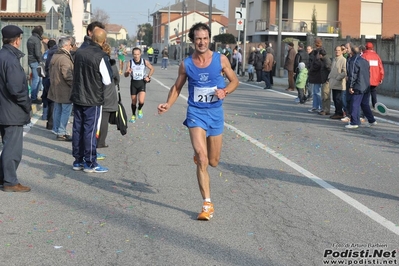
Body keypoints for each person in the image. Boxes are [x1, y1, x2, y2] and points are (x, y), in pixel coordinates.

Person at [157, 22, 239, 221]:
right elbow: (177, 88)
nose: (201, 42)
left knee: (213, 161)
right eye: (198, 39)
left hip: (215, 114)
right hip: (196, 113)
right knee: (202, 158)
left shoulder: (221, 60)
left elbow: (235, 80)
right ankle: (207, 204)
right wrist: (168, 104)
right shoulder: (187, 64)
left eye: (204, 38)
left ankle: (202, 158)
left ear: (209, 39)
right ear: (192, 41)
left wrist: (225, 91)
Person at [70, 28, 112, 173]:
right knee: (90, 130)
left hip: (78, 95)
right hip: (92, 98)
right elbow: (107, 80)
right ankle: (90, 162)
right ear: (103, 40)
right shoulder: (101, 55)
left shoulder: (79, 52)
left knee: (77, 128)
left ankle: (78, 160)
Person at [0, 25, 32, 192]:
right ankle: (10, 182)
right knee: (12, 149)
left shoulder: (2, 55)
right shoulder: (11, 60)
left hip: (3, 108)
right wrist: (27, 105)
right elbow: (16, 88)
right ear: (17, 40)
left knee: (7, 145)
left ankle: (4, 178)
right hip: (11, 110)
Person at [47, 37, 74, 141]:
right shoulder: (64, 58)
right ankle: (61, 132)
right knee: (65, 111)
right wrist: (74, 85)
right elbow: (67, 75)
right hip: (64, 89)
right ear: (65, 46)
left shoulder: (55, 55)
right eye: (70, 45)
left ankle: (57, 129)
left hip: (56, 87)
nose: (71, 47)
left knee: (58, 109)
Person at [345, 43, 377, 129]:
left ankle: (354, 122)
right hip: (366, 85)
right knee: (364, 104)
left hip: (358, 86)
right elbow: (368, 73)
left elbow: (353, 74)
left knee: (355, 104)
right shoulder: (364, 60)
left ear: (352, 51)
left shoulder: (353, 61)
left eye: (347, 48)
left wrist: (351, 86)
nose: (346, 50)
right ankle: (371, 120)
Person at [124, 47, 154, 123]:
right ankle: (133, 115)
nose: (136, 56)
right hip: (134, 83)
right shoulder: (130, 62)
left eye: (138, 54)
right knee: (134, 101)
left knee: (141, 101)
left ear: (140, 54)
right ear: (133, 54)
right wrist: (128, 72)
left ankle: (139, 109)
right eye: (135, 54)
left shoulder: (144, 62)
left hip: (142, 83)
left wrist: (148, 76)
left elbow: (152, 69)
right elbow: (125, 75)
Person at [97, 43, 119, 148]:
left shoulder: (95, 62)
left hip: (96, 94)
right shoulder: (112, 65)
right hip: (109, 94)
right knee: (104, 118)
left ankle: (93, 139)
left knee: (96, 118)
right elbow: (117, 80)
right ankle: (101, 142)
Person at [361, 42, 384, 109]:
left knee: (366, 93)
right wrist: (381, 77)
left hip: (366, 78)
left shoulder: (364, 56)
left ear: (366, 47)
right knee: (373, 91)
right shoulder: (377, 56)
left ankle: (366, 106)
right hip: (375, 78)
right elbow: (381, 68)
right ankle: (375, 105)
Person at [328, 46, 347, 119]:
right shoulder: (334, 59)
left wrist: (338, 78)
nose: (337, 52)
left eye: (339, 50)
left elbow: (345, 72)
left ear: (342, 51)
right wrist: (329, 77)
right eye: (336, 50)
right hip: (333, 82)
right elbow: (332, 69)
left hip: (339, 83)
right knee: (335, 98)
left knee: (338, 99)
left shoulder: (343, 60)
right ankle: (336, 112)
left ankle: (339, 113)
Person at [27, 25, 44, 104]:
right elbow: (37, 53)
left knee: (37, 79)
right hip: (36, 61)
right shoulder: (36, 40)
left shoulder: (30, 38)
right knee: (36, 80)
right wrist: (41, 62)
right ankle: (33, 98)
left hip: (31, 61)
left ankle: (34, 96)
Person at [307, 38, 323, 112]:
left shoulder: (319, 52)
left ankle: (319, 106)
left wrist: (312, 69)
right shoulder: (317, 52)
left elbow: (318, 63)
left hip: (317, 74)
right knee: (315, 91)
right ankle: (315, 106)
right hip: (316, 74)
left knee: (317, 91)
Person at [318, 49, 332, 115]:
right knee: (323, 95)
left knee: (326, 95)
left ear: (321, 55)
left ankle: (326, 109)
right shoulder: (323, 60)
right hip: (323, 80)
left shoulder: (326, 60)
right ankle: (323, 109)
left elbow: (329, 70)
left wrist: (328, 79)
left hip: (326, 80)